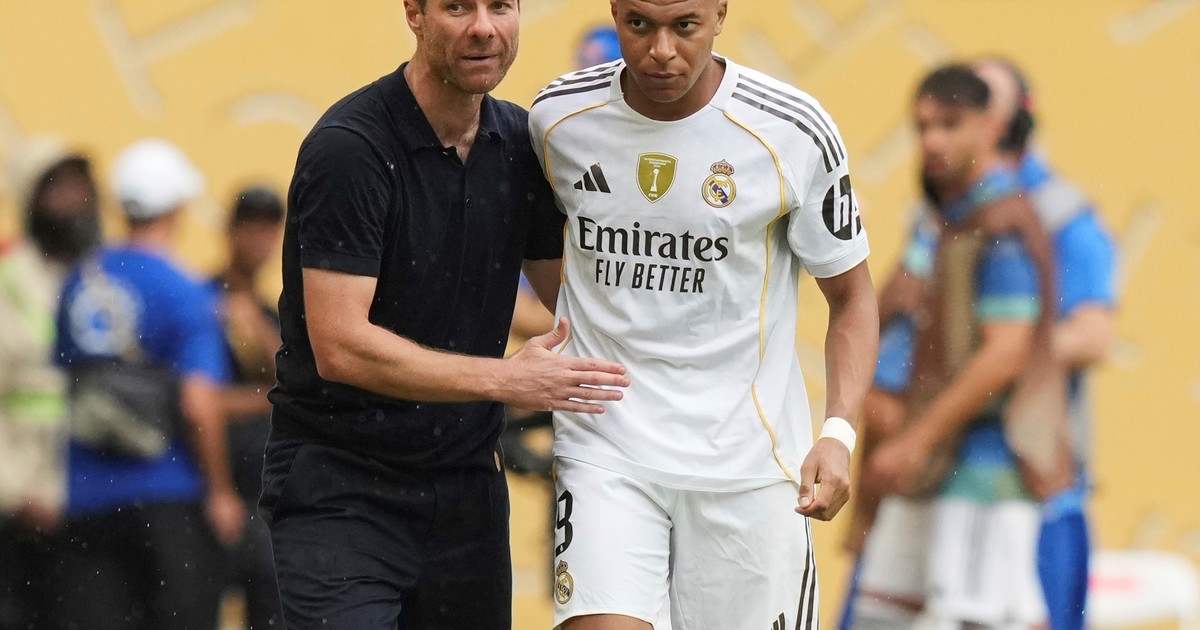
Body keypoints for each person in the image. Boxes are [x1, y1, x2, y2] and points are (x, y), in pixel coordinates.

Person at [259, 1, 629, 628]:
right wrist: (507, 380)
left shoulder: (521, 143)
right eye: (457, 6)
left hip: (466, 494)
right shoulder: (350, 147)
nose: (483, 27)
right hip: (342, 488)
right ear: (415, 13)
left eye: (500, 5)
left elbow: (580, 303)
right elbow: (340, 346)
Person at [528, 1, 879, 628]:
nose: (661, 50)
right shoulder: (557, 119)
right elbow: (538, 248)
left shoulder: (792, 131)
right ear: (614, 11)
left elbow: (852, 298)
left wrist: (838, 433)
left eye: (684, 25)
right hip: (606, 449)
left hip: (748, 466)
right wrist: (583, 329)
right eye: (639, 24)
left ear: (720, 13)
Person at [865, 64, 1065, 629]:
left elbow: (1005, 353)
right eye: (923, 126)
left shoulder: (1001, 222)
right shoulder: (945, 218)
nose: (933, 141)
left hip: (982, 466)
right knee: (881, 615)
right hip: (929, 464)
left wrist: (915, 439)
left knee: (980, 617)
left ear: (989, 127)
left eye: (950, 124)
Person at [51, 138, 242, 630]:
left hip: (86, 498)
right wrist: (220, 492)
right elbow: (199, 403)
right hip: (167, 494)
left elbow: (65, 382)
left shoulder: (80, 280)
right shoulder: (185, 290)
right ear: (177, 207)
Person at [974, 56, 1117, 630]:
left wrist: (1000, 351)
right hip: (961, 481)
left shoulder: (1063, 214)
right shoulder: (950, 211)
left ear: (1016, 119)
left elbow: (1093, 337)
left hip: (1038, 483)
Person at [0, 138, 102, 630]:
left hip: (94, 504)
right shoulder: (10, 282)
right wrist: (17, 492)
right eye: (58, 188)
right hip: (21, 510)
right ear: (31, 200)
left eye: (81, 186)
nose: (76, 200)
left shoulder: (104, 278)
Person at [211, 185, 286, 630]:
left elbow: (292, 385)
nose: (259, 240)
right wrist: (263, 399)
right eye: (250, 227)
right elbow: (196, 400)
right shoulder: (199, 300)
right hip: (207, 491)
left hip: (262, 497)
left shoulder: (268, 313)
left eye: (268, 229)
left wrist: (254, 323)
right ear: (230, 229)